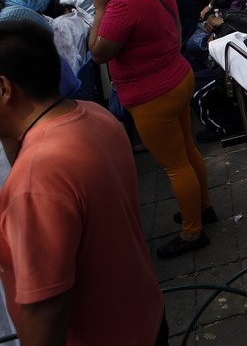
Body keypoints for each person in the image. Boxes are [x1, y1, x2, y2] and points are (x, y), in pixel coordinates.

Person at [0, 21, 168, 345]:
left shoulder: (36, 180)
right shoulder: (95, 115)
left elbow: (44, 313)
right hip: (146, 318)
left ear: (5, 89)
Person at [87, 0, 214, 259]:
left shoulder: (120, 6)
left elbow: (99, 52)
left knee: (175, 166)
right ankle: (202, 207)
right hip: (177, 77)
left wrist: (100, 8)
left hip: (151, 95)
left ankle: (192, 232)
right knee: (186, 150)